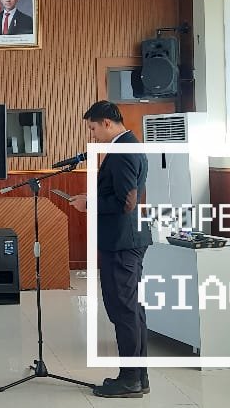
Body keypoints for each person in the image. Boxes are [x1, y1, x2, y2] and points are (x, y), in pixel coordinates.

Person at [69, 101, 150, 398]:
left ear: (106, 123)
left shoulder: (123, 150)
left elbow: (126, 203)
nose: (92, 135)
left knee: (123, 311)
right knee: (132, 310)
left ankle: (130, 380)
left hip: (122, 242)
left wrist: (89, 204)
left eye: (93, 128)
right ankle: (138, 377)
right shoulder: (128, 145)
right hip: (127, 240)